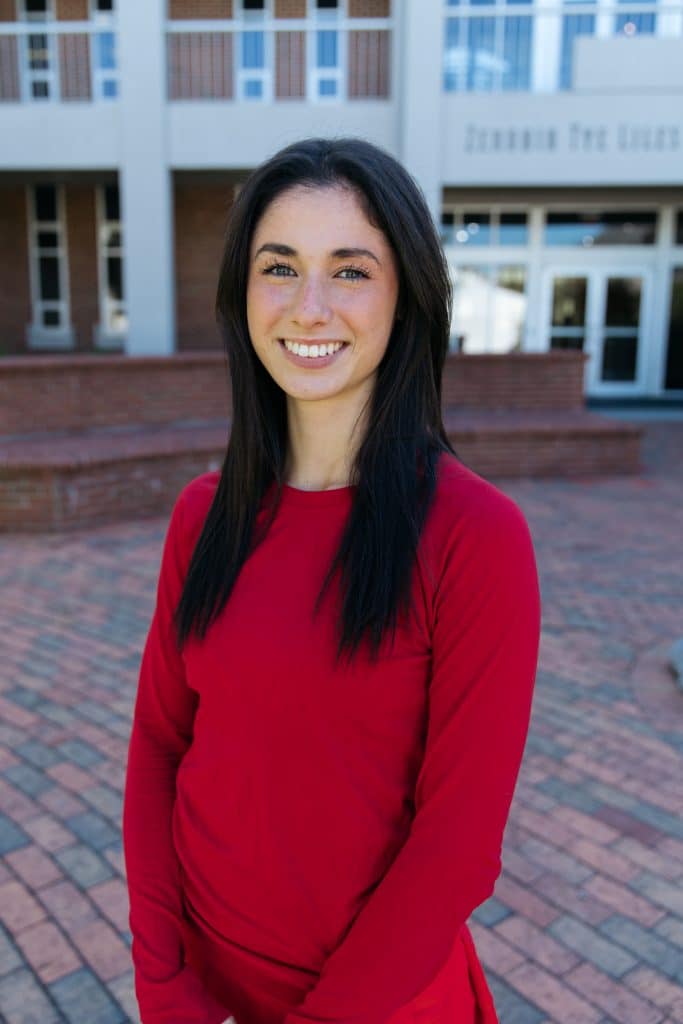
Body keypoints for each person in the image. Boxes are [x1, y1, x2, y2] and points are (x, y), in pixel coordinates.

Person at [122, 136, 541, 1024]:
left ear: (407, 298)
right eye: (280, 266)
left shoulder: (474, 537)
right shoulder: (204, 516)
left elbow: (458, 845)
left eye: (349, 270)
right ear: (243, 293)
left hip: (375, 1002)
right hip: (205, 982)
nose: (309, 308)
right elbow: (160, 747)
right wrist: (163, 985)